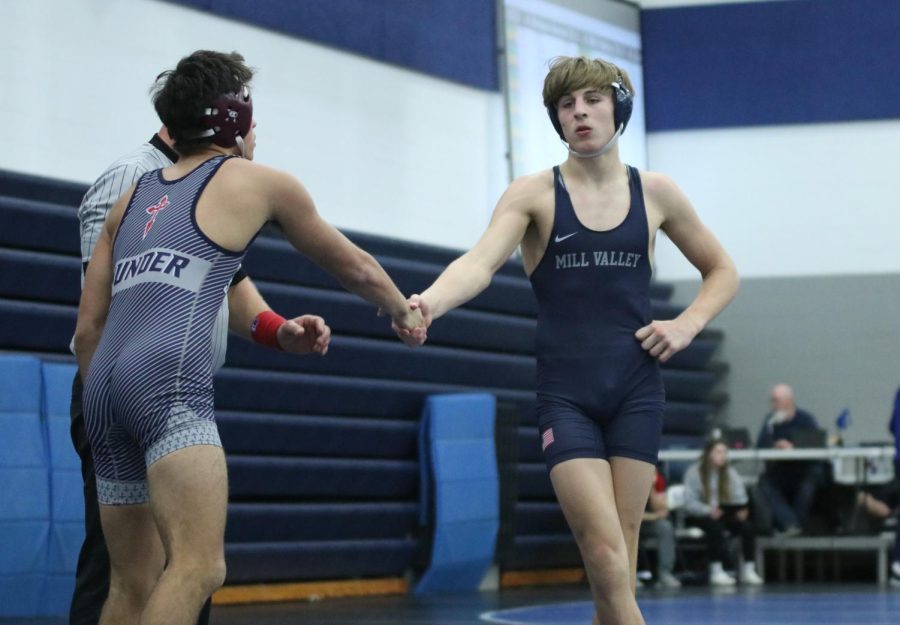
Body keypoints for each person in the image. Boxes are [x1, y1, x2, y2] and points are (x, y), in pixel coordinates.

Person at [73, 50, 424, 625]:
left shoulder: (131, 199)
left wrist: (104, 395)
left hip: (104, 390)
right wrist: (401, 311)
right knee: (197, 567)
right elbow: (352, 266)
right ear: (233, 119)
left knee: (129, 582)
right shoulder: (257, 182)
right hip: (168, 387)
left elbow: (88, 328)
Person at [398, 56, 739, 625]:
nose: (579, 112)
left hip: (637, 390)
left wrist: (687, 325)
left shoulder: (656, 193)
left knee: (621, 557)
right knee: (603, 551)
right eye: (566, 105)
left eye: (591, 100)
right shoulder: (534, 193)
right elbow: (480, 263)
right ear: (557, 119)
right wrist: (429, 300)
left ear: (618, 107)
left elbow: (722, 271)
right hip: (568, 395)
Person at [69, 125, 329, 625]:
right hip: (124, 391)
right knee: (128, 571)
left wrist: (280, 331)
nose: (256, 134)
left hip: (173, 395)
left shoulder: (205, 188)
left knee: (183, 569)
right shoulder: (133, 176)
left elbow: (229, 286)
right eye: (249, 121)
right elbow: (98, 315)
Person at [682, 438, 764, 586]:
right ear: (708, 454)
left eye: (725, 452)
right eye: (718, 452)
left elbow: (741, 496)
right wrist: (708, 510)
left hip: (725, 514)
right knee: (715, 527)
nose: (722, 456)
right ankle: (716, 569)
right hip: (700, 515)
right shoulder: (694, 472)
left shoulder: (730, 473)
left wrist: (741, 509)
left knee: (747, 527)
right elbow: (689, 502)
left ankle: (748, 569)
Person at [755, 383, 828, 535]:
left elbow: (816, 444)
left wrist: (793, 447)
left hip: (804, 469)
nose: (773, 405)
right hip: (782, 470)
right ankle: (793, 524)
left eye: (777, 400)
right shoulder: (770, 421)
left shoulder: (805, 419)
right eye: (772, 400)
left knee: (809, 483)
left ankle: (794, 526)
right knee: (764, 484)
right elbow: (760, 445)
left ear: (789, 401)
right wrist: (775, 445)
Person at [639, 468, 681, 588]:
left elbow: (663, 510)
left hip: (647, 524)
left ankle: (665, 573)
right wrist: (653, 516)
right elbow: (627, 514)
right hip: (626, 523)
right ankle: (631, 575)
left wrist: (651, 488)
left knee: (665, 527)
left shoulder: (657, 479)